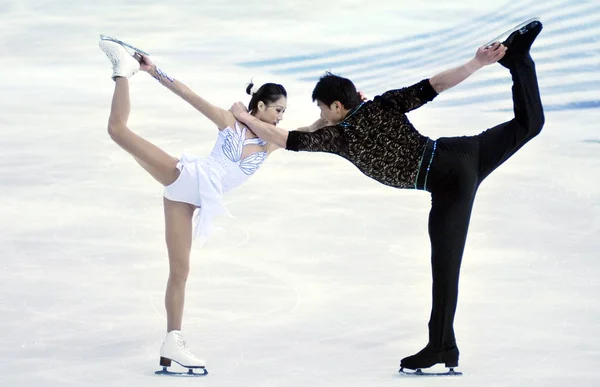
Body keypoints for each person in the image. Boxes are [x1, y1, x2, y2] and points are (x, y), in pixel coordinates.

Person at [229, 20, 545, 373]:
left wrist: (243, 115)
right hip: (463, 154)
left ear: (336, 106)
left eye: (321, 109)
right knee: (529, 125)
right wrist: (476, 63)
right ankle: (519, 59)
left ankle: (442, 346)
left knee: (445, 270)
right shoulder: (383, 104)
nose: (320, 116)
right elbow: (434, 86)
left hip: (447, 183)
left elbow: (287, 140)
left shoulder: (342, 137)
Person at [98, 38, 296, 373]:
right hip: (186, 177)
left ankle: (172, 340)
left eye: (284, 113)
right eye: (278, 110)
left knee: (180, 271)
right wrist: (153, 70)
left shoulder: (270, 144)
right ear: (260, 105)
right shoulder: (229, 123)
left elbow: (312, 132)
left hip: (185, 200)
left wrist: (349, 115)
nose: (280, 118)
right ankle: (123, 70)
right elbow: (188, 95)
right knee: (117, 131)